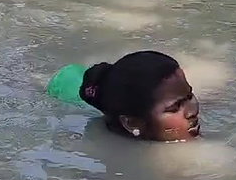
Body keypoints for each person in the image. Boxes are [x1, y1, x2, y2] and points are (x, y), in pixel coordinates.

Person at [48, 51, 200, 142]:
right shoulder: (100, 146)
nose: (192, 111)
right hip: (66, 86)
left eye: (189, 96)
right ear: (132, 123)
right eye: (175, 107)